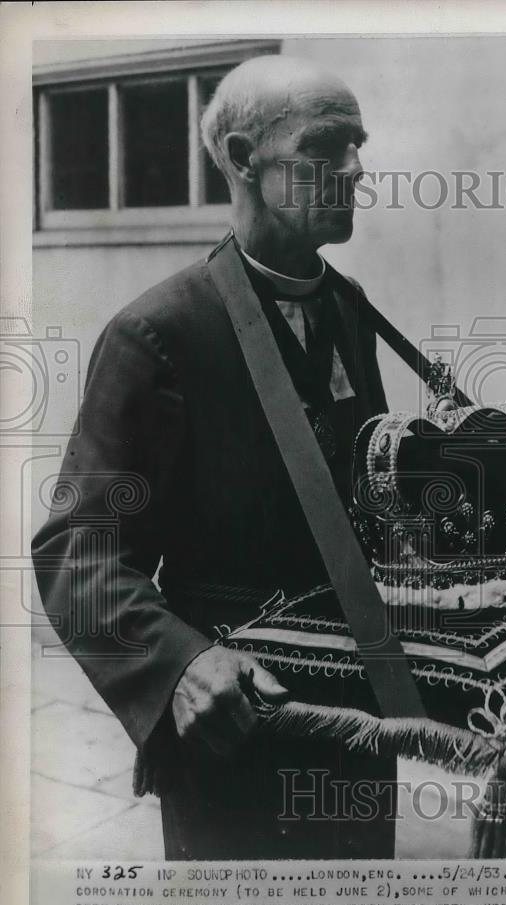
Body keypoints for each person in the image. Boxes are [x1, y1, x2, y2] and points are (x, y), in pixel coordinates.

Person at [31, 55, 398, 860]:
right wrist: (181, 664)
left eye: (359, 143)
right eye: (328, 144)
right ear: (240, 158)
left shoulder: (348, 308)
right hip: (236, 720)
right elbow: (76, 554)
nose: (358, 167)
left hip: (361, 716)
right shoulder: (157, 335)